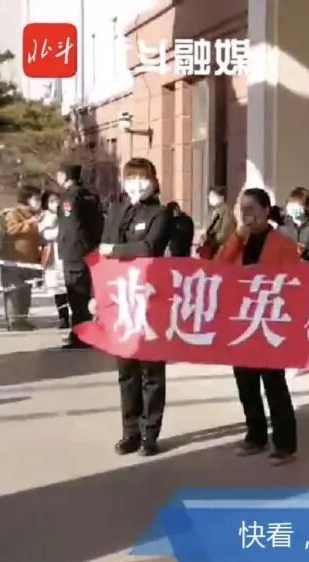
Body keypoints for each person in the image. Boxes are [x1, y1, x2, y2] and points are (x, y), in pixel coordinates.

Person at [217, 188, 303, 465]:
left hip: (269, 321)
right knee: (246, 382)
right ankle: (255, 435)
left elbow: (294, 281)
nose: (247, 214)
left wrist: (264, 277)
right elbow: (218, 268)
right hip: (242, 321)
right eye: (242, 209)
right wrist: (237, 237)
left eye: (252, 208)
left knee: (273, 383)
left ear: (266, 210)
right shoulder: (238, 240)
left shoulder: (283, 243)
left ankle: (285, 443)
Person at [99, 158, 174, 456]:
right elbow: (102, 256)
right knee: (126, 371)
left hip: (151, 300)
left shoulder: (160, 213)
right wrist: (97, 296)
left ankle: (149, 434)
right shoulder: (117, 210)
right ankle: (129, 432)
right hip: (121, 300)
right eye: (131, 177)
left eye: (142, 178)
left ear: (153, 181)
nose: (136, 183)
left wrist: (115, 250)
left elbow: (148, 248)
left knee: (151, 372)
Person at [55, 162, 104, 349]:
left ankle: (81, 335)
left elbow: (71, 227)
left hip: (75, 253)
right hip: (90, 249)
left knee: (77, 295)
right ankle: (87, 332)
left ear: (64, 176)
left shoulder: (70, 197)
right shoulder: (90, 195)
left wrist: (66, 249)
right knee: (87, 294)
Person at [0, 186, 42, 331]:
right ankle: (14, 321)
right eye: (36, 199)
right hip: (14, 259)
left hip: (29, 260)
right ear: (26, 199)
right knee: (13, 290)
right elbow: (11, 229)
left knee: (25, 291)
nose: (39, 202)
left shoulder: (35, 215)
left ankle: (23, 319)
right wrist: (28, 223)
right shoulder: (14, 213)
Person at [38, 191, 69, 329]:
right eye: (51, 201)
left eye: (56, 200)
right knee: (57, 288)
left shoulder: (66, 214)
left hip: (67, 254)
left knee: (69, 286)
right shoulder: (45, 217)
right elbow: (46, 234)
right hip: (53, 255)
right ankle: (63, 317)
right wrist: (60, 230)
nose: (54, 203)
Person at [277, 187, 309, 262]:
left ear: (306, 207)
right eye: (291, 204)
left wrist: (305, 252)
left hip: (307, 267)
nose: (293, 208)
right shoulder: (282, 227)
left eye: (297, 205)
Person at [195, 186, 236, 260]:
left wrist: (210, 240)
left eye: (213, 196)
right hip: (212, 248)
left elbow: (225, 232)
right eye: (209, 196)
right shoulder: (214, 211)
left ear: (221, 197)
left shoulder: (226, 211)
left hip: (220, 249)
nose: (210, 198)